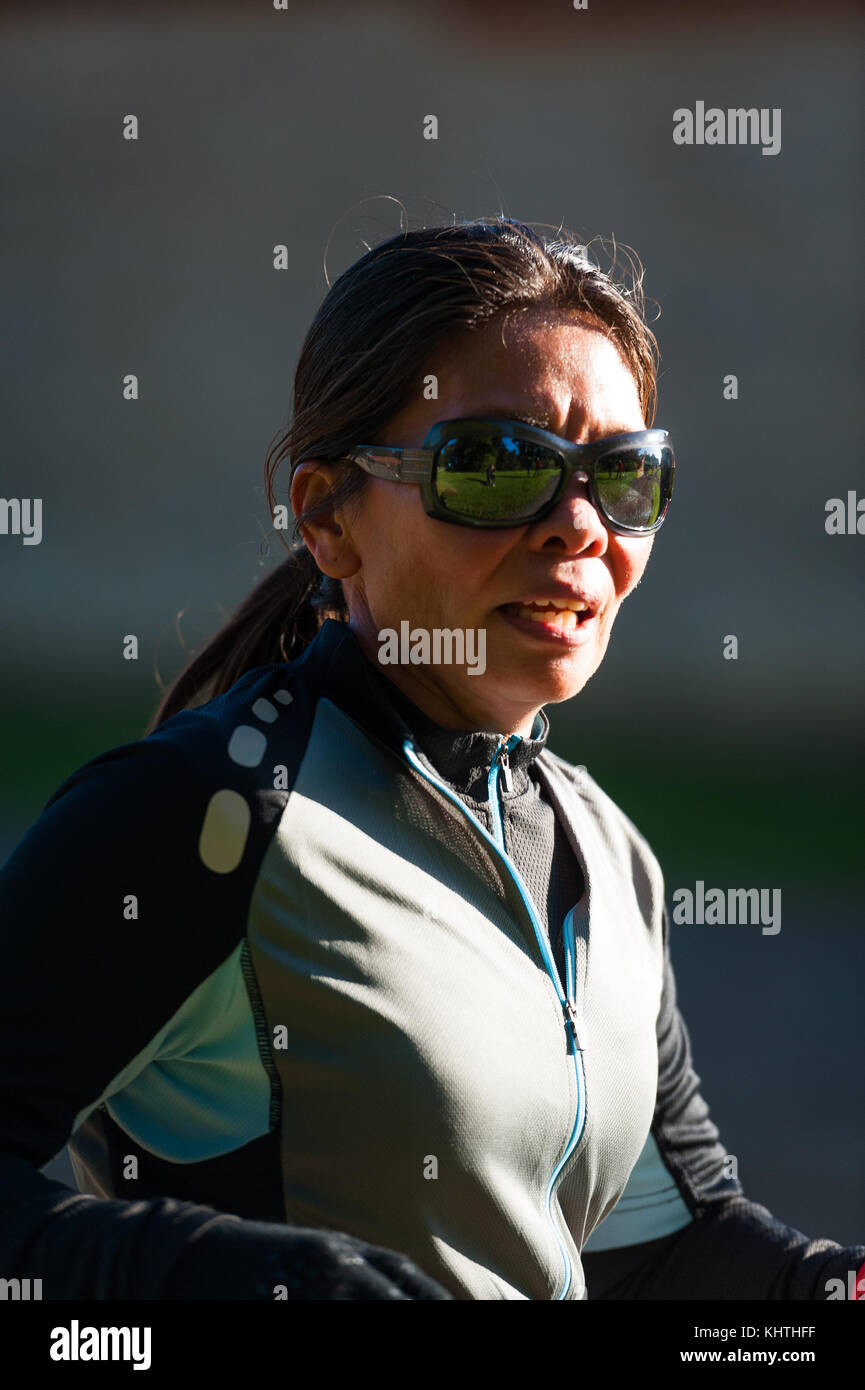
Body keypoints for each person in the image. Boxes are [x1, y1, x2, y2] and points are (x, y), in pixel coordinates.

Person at [0, 218, 861, 1302]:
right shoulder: (201, 814)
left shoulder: (606, 851)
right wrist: (243, 1279)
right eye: (497, 466)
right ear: (327, 519)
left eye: (624, 476)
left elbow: (659, 1252)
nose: (579, 526)